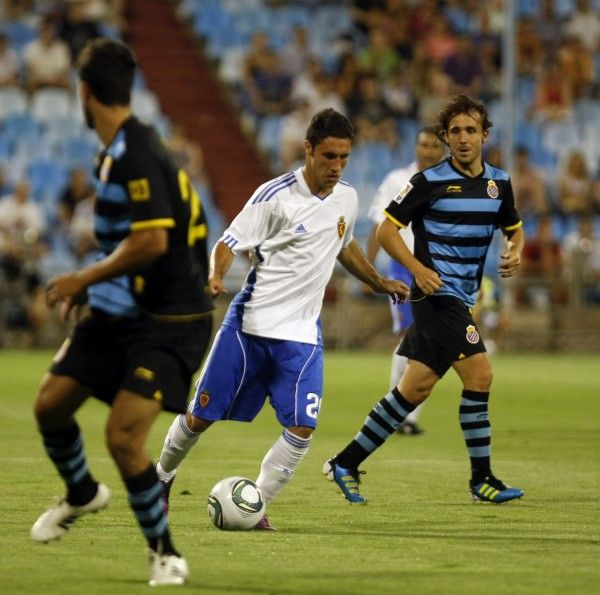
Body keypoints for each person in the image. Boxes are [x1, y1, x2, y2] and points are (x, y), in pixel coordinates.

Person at [156, 108, 409, 529]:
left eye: (344, 158)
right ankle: (160, 479)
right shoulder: (274, 197)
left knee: (302, 429)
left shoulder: (346, 197)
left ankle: (255, 506)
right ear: (308, 150)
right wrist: (217, 275)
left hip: (302, 337)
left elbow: (344, 245)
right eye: (329, 156)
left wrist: (379, 281)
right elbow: (228, 241)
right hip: (249, 328)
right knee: (199, 416)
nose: (337, 166)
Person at [29, 38, 214, 587]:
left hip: (171, 322)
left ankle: (166, 554)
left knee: (122, 436)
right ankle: (83, 493)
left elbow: (153, 241)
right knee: (50, 406)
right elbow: (131, 246)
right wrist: (96, 292)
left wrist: (83, 277)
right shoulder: (117, 151)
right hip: (123, 310)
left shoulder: (136, 153)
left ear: (84, 94)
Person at [324, 94, 525, 505]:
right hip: (435, 297)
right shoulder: (428, 182)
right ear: (445, 138)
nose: (464, 138)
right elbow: (385, 232)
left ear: (485, 134)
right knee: (481, 375)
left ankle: (345, 462)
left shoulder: (498, 183)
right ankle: (481, 479)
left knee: (412, 390)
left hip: (463, 298)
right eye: (455, 132)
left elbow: (514, 228)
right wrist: (416, 270)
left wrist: (515, 249)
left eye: (471, 130)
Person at [365, 126, 446, 434]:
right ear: (415, 147)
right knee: (412, 335)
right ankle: (396, 412)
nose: (428, 150)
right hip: (403, 269)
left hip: (438, 270)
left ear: (442, 151)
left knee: (431, 343)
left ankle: (406, 417)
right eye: (423, 144)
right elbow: (379, 223)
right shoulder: (397, 181)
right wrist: (370, 270)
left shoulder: (450, 183)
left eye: (434, 146)